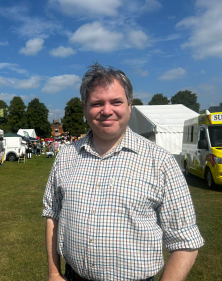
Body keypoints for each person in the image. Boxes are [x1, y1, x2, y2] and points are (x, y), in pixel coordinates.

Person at [42, 63, 204, 281]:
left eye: (116, 102)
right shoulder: (66, 156)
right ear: (84, 108)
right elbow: (52, 215)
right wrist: (54, 272)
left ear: (129, 105)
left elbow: (185, 243)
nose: (106, 110)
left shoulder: (160, 161)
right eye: (97, 103)